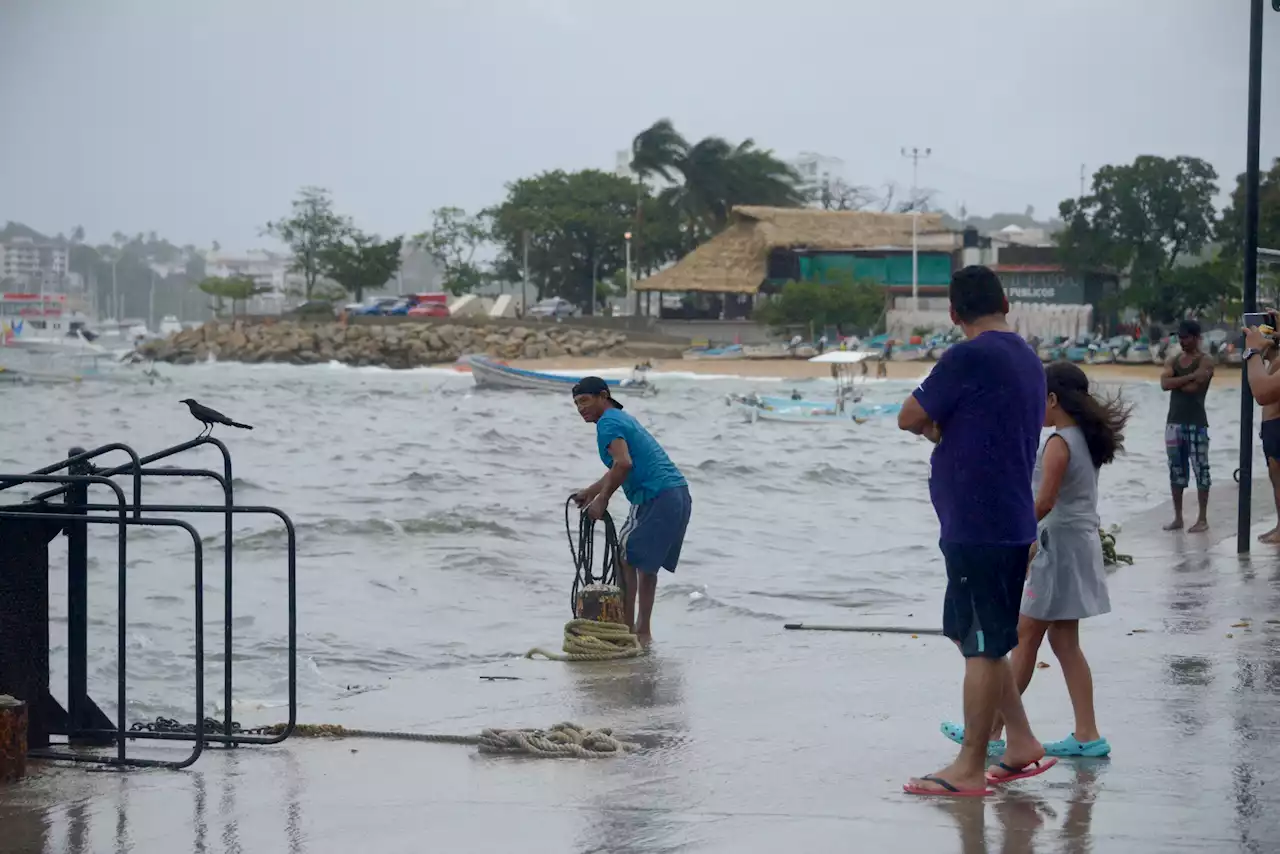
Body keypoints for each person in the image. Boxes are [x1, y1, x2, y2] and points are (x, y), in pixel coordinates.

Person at [897, 265, 1053, 797]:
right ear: (1006, 301)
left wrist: (936, 429)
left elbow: (907, 414)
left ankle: (968, 766)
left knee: (981, 647)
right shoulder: (1029, 358)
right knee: (988, 637)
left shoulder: (970, 355)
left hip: (979, 523)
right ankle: (1023, 741)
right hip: (1009, 517)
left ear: (953, 314)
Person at [941, 362, 1131, 759]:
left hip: (1057, 548)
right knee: (1064, 642)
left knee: (1025, 638)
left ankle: (990, 731)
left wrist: (1012, 540)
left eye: (1039, 399)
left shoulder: (1059, 443)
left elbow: (1043, 502)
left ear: (1053, 399)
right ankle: (1087, 733)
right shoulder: (1084, 439)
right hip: (1078, 544)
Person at [571, 377, 692, 643]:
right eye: (576, 404)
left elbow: (623, 464)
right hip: (677, 494)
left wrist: (602, 499)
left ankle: (628, 631)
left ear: (603, 396)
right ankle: (641, 631)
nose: (581, 409)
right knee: (643, 565)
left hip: (655, 496)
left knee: (626, 558)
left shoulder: (608, 423)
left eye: (585, 401)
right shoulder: (620, 418)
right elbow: (620, 465)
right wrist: (591, 492)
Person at [1160, 319, 1214, 533]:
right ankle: (1178, 517)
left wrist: (1177, 381)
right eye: (1180, 337)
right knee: (1175, 469)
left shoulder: (1206, 360)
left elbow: (1194, 389)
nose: (1182, 341)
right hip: (1173, 422)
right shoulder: (1174, 360)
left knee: (1201, 469)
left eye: (1186, 337)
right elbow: (1165, 384)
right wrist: (1190, 377)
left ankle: (1202, 518)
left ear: (1196, 337)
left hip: (1196, 422)